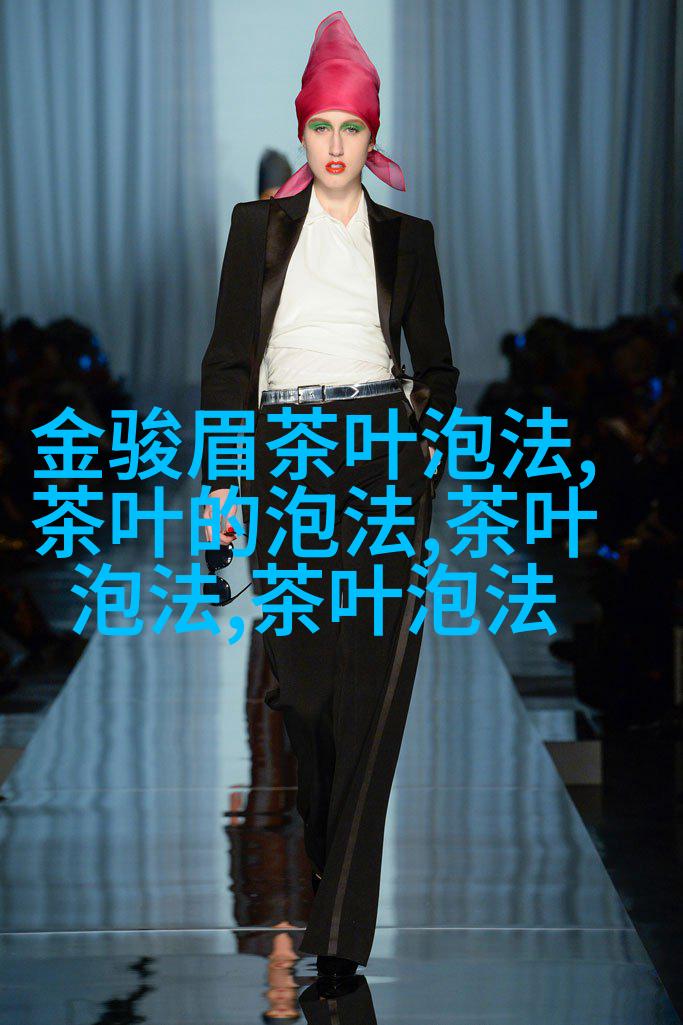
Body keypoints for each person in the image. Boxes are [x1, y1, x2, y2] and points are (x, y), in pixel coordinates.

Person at [200, 10, 460, 979]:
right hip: (286, 446)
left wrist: (420, 435)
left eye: (353, 127)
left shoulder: (407, 239)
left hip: (381, 447)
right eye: (322, 126)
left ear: (370, 133)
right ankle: (326, 848)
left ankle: (341, 932)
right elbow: (228, 361)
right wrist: (223, 483)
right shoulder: (255, 228)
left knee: (373, 688)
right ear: (303, 130)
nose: (337, 144)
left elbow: (438, 363)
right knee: (303, 690)